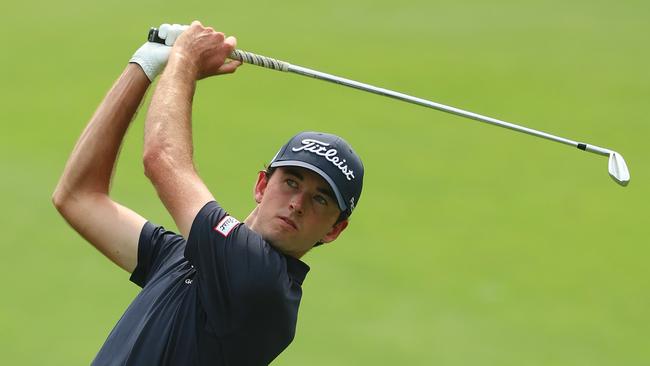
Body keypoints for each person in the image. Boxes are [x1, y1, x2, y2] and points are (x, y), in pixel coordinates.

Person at [52, 21, 364, 365]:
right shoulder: (189, 257)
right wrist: (143, 66)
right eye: (291, 182)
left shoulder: (262, 281)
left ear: (334, 229)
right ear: (262, 185)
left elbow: (162, 159)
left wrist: (183, 61)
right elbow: (78, 196)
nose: (298, 204)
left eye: (320, 198)